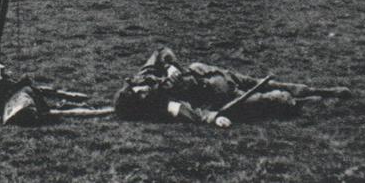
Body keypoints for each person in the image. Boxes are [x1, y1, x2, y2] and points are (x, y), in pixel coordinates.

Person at [112, 47, 350, 127]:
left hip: (212, 73)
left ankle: (321, 91)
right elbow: (191, 113)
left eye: (139, 90)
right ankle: (303, 101)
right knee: (273, 100)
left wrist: (169, 65)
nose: (143, 92)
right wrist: (214, 118)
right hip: (219, 96)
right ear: (140, 105)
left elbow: (162, 51)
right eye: (141, 97)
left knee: (267, 84)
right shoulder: (159, 106)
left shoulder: (144, 76)